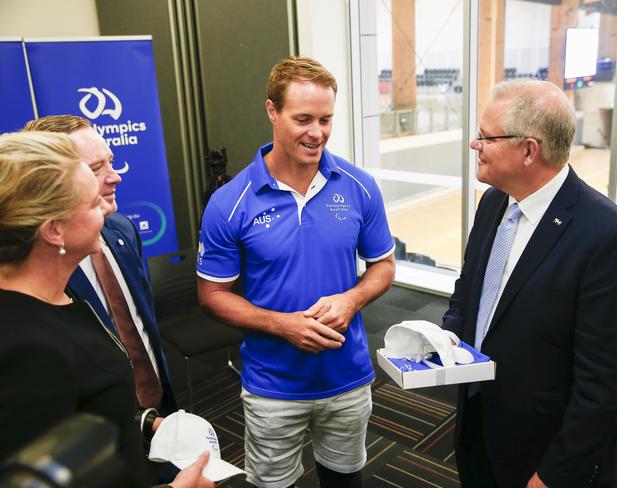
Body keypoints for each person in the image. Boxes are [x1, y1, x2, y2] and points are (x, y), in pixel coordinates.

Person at [197, 56, 396, 488]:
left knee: (346, 480)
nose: (317, 132)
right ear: (272, 111)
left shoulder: (359, 186)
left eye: (325, 119)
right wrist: (282, 325)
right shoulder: (231, 202)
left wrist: (352, 299)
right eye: (303, 118)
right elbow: (212, 295)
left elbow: (383, 265)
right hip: (272, 387)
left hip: (347, 378)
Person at [442, 79, 617, 488]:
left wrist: (553, 475)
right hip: (478, 425)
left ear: (528, 150)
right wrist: (445, 340)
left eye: (485, 136)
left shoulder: (608, 238)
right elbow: (469, 291)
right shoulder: (493, 203)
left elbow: (605, 385)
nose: (474, 144)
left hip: (543, 454)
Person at [0, 131, 213, 488]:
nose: (107, 207)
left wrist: (144, 422)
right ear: (55, 230)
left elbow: (74, 419)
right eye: (92, 203)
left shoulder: (61, 303)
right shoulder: (24, 349)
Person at [22, 115, 177, 419]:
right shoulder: (37, 273)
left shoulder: (123, 231)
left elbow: (142, 327)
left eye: (111, 161)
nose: (115, 176)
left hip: (161, 405)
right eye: (95, 169)